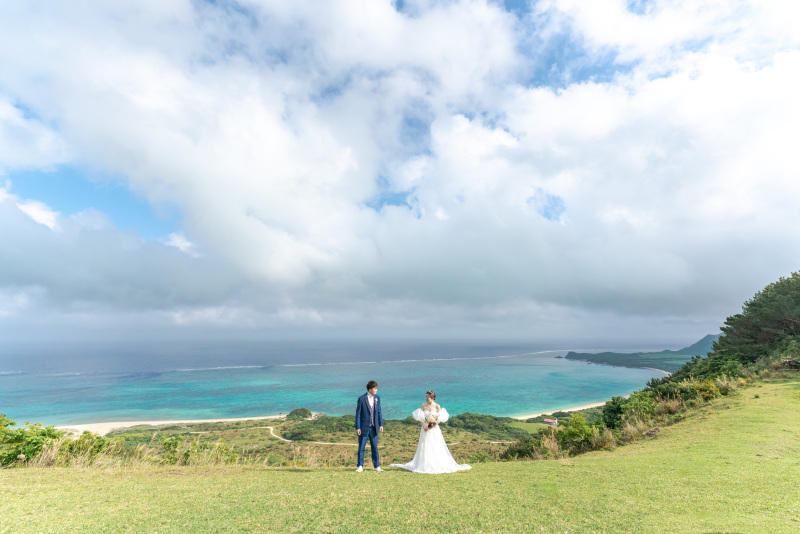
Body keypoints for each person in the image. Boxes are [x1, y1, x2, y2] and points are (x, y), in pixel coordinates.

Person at [389, 390, 471, 474]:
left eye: (428, 397)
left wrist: (435, 423)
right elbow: (420, 417)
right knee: (424, 445)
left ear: (433, 398)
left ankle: (435, 464)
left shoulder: (437, 406)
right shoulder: (423, 406)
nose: (426, 399)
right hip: (425, 429)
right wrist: (424, 425)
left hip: (434, 429)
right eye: (426, 397)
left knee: (435, 445)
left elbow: (439, 417)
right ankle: (424, 464)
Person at [355, 380, 383, 472]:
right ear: (370, 389)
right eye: (375, 389)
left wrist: (381, 424)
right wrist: (358, 427)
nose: (376, 390)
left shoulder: (377, 398)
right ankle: (360, 466)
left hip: (374, 427)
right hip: (364, 427)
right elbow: (358, 414)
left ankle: (376, 466)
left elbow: (379, 412)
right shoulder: (361, 398)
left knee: (374, 447)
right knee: (361, 447)